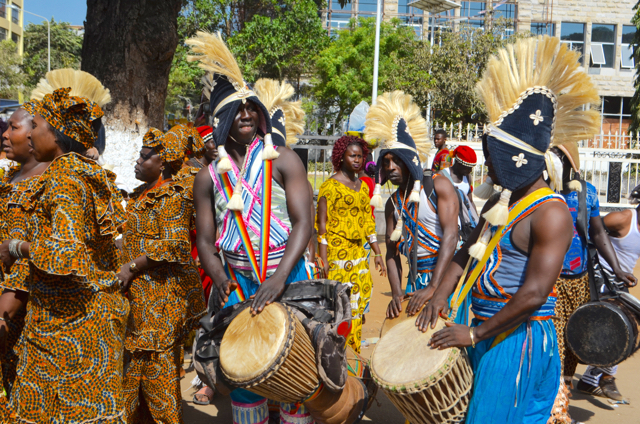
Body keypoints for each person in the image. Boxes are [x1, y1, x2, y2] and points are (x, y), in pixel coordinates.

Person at [421, 36, 601, 422]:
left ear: (519, 159)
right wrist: (439, 294)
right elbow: (465, 250)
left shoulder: (551, 214)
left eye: (493, 159)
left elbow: (535, 294)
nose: (489, 168)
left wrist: (473, 335)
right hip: (489, 328)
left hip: (519, 338)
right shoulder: (500, 203)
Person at [189, 32, 314, 423]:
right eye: (235, 110)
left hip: (288, 275)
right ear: (220, 121)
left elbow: (303, 222)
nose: (245, 115)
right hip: (239, 283)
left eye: (250, 108)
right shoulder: (208, 177)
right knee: (244, 373)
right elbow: (207, 241)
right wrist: (218, 274)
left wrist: (278, 279)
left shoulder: (284, 159)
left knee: (296, 371)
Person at [0, 87, 129, 423]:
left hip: (71, 327)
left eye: (37, 126)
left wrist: (17, 247)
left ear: (55, 136)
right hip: (79, 319)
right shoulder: (78, 172)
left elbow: (64, 253)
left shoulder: (64, 179)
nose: (30, 137)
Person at [119, 125, 206, 423]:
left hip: (161, 299)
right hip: (137, 301)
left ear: (162, 162)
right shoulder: (142, 194)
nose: (138, 162)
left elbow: (176, 245)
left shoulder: (173, 196)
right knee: (134, 374)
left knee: (158, 376)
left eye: (145, 158)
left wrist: (132, 267)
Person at [363, 91, 460, 321]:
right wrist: (397, 294)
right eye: (386, 162)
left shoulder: (438, 186)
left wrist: (434, 287)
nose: (391, 167)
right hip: (415, 282)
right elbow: (392, 252)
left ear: (410, 162)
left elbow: (451, 237)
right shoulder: (392, 205)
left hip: (446, 279)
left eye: (397, 160)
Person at [552, 143, 637, 398]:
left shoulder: (586, 193)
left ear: (570, 162)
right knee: (554, 343)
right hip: (549, 280)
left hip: (580, 279)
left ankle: (561, 404)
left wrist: (618, 269)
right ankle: (549, 404)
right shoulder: (544, 190)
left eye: (558, 156)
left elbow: (598, 233)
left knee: (573, 341)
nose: (552, 160)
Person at [316, 135, 386, 353]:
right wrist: (323, 259)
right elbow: (322, 225)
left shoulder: (362, 187)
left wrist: (377, 253)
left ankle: (353, 354)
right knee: (338, 307)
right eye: (352, 155)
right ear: (341, 157)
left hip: (358, 255)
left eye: (360, 156)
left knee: (357, 307)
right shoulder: (330, 187)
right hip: (337, 255)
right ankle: (335, 355)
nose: (357, 160)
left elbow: (368, 222)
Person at [0, 105, 49, 399]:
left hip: (23, 313)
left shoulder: (45, 186)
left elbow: (24, 268)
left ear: (34, 135)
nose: (5, 135)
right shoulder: (10, 180)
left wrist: (3, 316)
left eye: (14, 128)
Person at [575, 188, 640, 400]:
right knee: (612, 326)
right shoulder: (622, 219)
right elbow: (591, 231)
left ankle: (590, 379)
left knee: (628, 327)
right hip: (599, 277)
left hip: (620, 282)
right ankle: (606, 376)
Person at [445, 145, 479, 216]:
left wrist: (476, 220)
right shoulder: (443, 175)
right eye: (468, 168)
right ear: (458, 163)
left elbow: (470, 201)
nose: (470, 171)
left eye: (471, 168)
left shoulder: (467, 177)